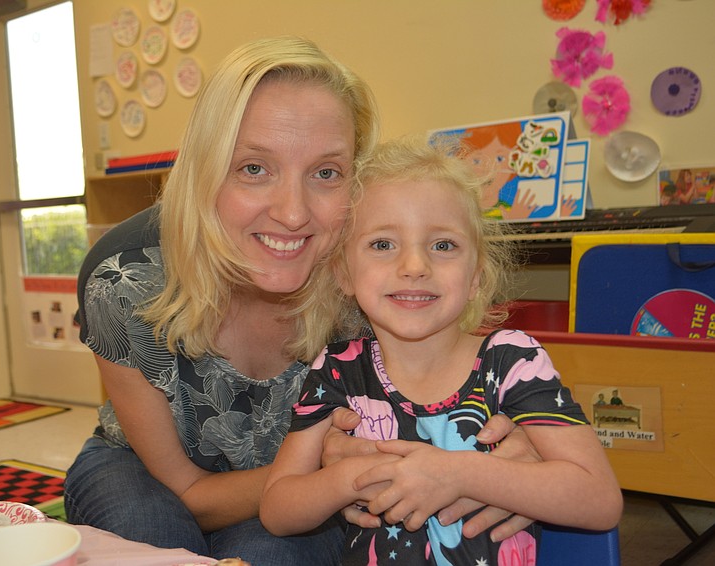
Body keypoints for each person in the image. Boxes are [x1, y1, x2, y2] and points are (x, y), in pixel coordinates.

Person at [64, 37, 535, 565]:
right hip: (145, 472)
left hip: (317, 493)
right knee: (147, 533)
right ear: (204, 170)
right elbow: (187, 490)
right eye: (254, 168)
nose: (292, 213)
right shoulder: (125, 280)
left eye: (326, 173)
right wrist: (328, 472)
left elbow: (468, 382)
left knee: (270, 553)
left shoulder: (372, 278)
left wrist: (507, 451)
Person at [261, 134, 623, 564]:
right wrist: (350, 477)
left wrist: (458, 474)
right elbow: (277, 509)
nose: (415, 267)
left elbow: (599, 500)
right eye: (383, 244)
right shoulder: (338, 369)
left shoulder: (512, 361)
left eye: (443, 245)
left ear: (476, 277)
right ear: (344, 272)